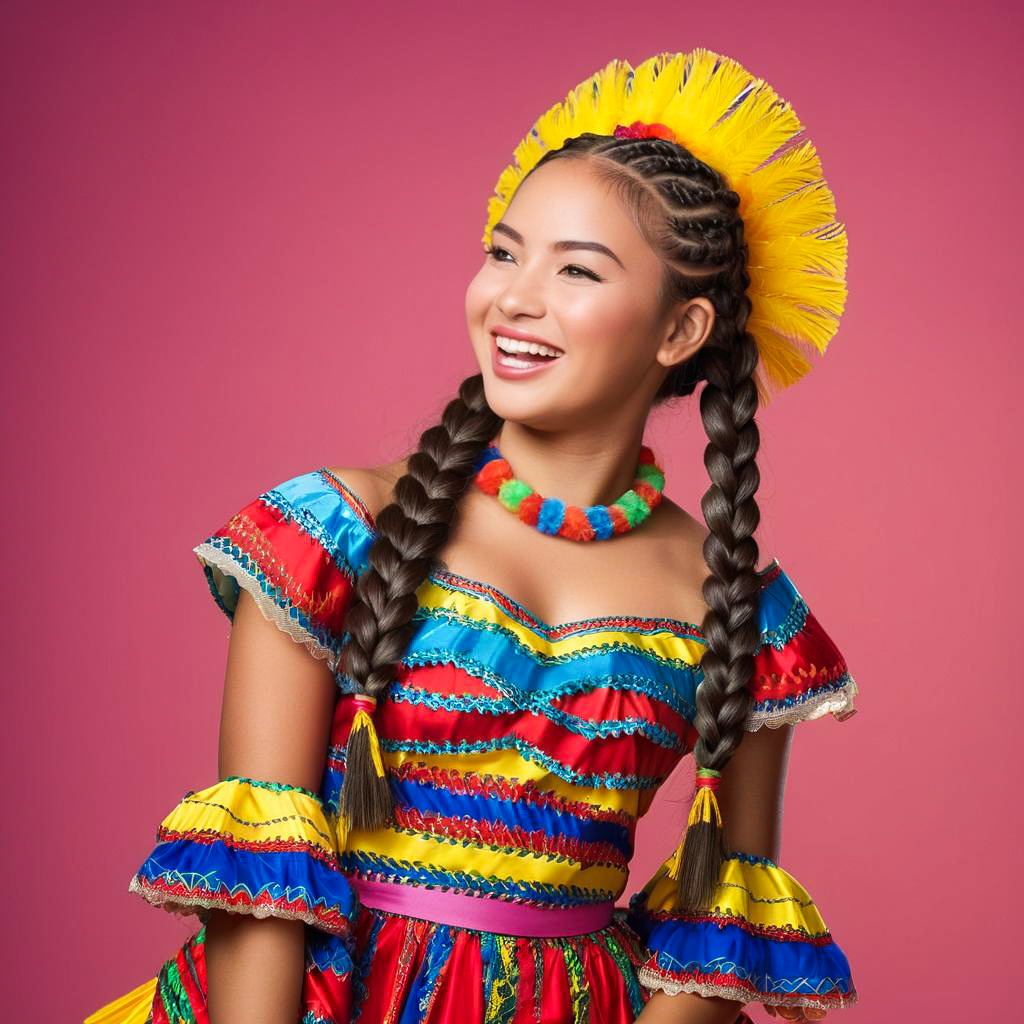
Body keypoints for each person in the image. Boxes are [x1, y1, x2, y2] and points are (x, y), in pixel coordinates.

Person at [85, 48, 860, 1024]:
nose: (512, 296)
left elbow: (724, 905)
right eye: (504, 251)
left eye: (574, 268)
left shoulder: (743, 613)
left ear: (679, 329)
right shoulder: (336, 530)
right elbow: (258, 891)